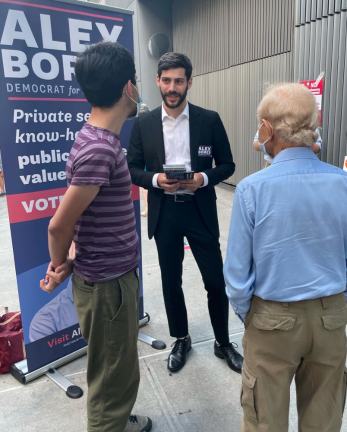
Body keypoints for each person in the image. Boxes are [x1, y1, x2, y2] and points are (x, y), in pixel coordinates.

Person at [224, 82, 347, 432]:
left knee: (265, 419)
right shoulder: (342, 183)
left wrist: (253, 315)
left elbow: (236, 276)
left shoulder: (252, 188)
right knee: (324, 419)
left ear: (267, 128)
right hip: (331, 316)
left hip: (272, 317)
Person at [42, 41, 152, 432]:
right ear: (128, 88)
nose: (138, 87)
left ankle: (117, 422)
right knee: (110, 379)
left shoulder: (97, 140)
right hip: (108, 288)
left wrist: (73, 256)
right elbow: (58, 225)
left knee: (118, 370)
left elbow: (85, 218)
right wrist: (59, 265)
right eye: (137, 80)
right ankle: (110, 425)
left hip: (109, 279)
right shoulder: (100, 149)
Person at [128, 52, 243, 374]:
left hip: (200, 210)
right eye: (167, 80)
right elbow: (131, 168)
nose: (172, 87)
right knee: (171, 281)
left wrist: (202, 179)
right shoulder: (144, 124)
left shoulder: (209, 119)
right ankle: (181, 338)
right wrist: (154, 180)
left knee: (215, 282)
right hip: (165, 213)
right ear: (158, 81)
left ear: (189, 82)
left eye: (179, 80)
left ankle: (223, 343)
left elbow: (228, 165)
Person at [253, 127, 322, 168]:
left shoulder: (307, 119)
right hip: (271, 164)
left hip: (301, 165)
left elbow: (317, 147)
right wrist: (270, 147)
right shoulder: (270, 117)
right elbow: (256, 143)